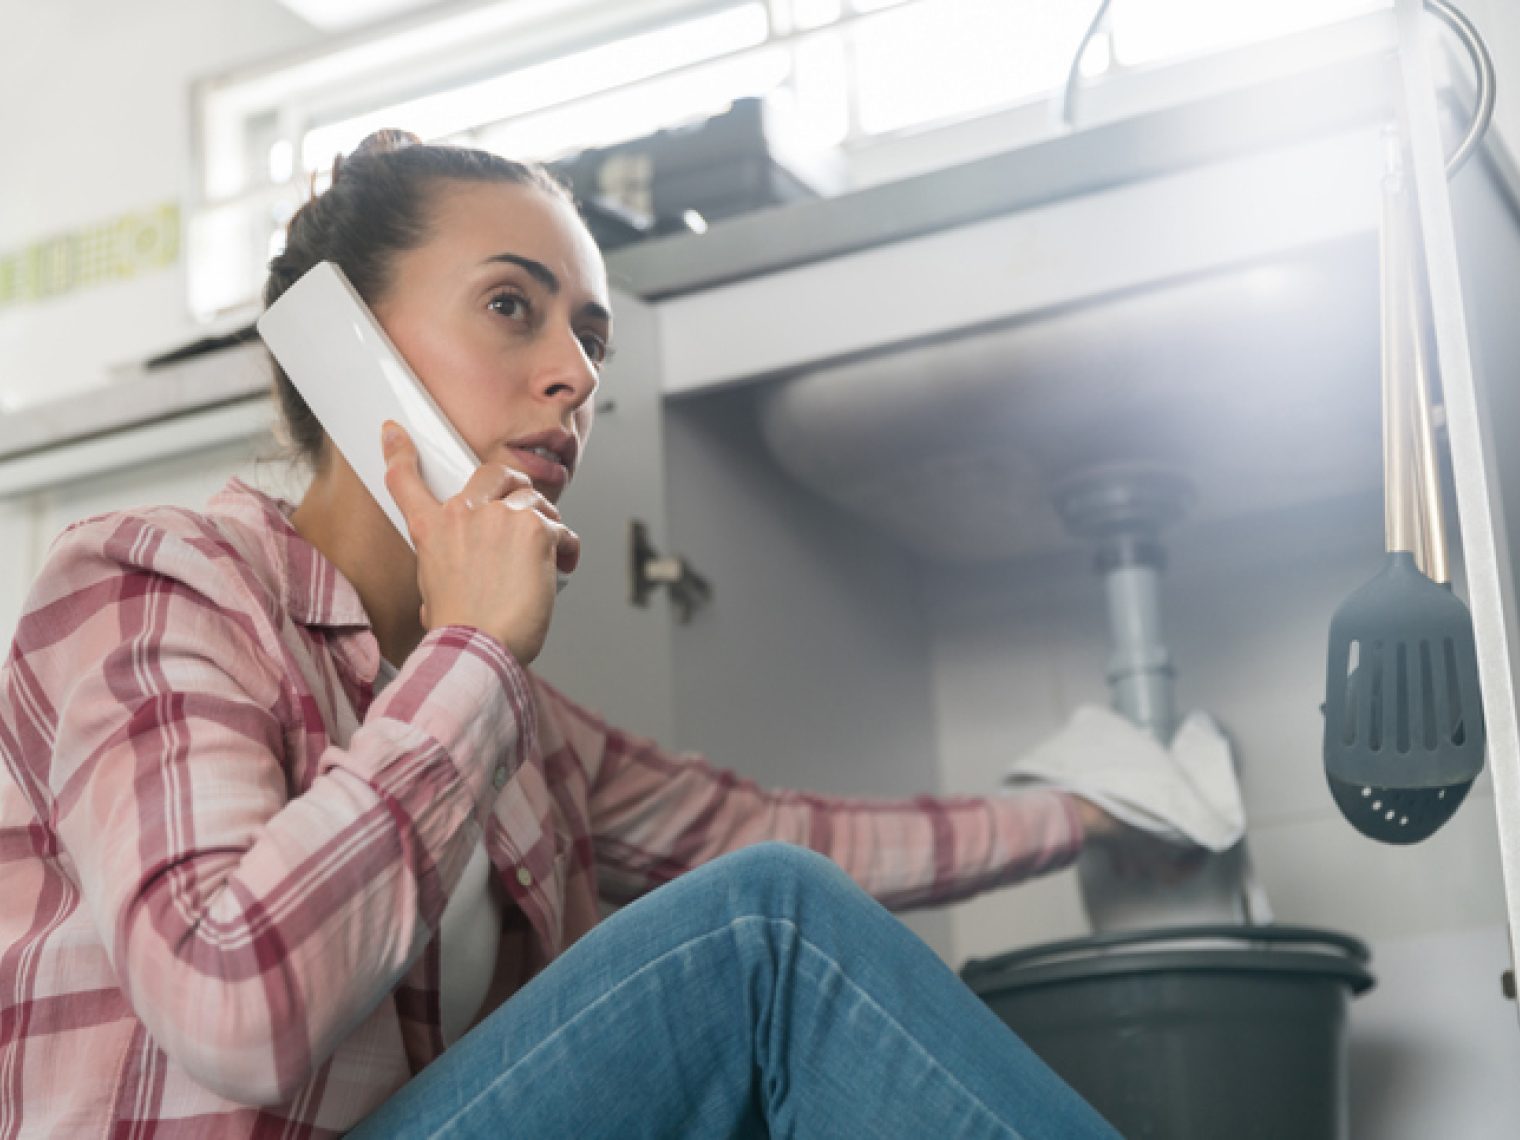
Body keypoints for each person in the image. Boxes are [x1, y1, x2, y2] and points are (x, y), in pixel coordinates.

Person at [0, 130, 1172, 1138]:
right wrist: (472, 659)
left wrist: (1091, 810)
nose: (571, 375)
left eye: (592, 341)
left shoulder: (525, 735)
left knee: (774, 919)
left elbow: (782, 833)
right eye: (511, 307)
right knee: (766, 926)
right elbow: (230, 999)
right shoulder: (153, 583)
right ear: (336, 342)